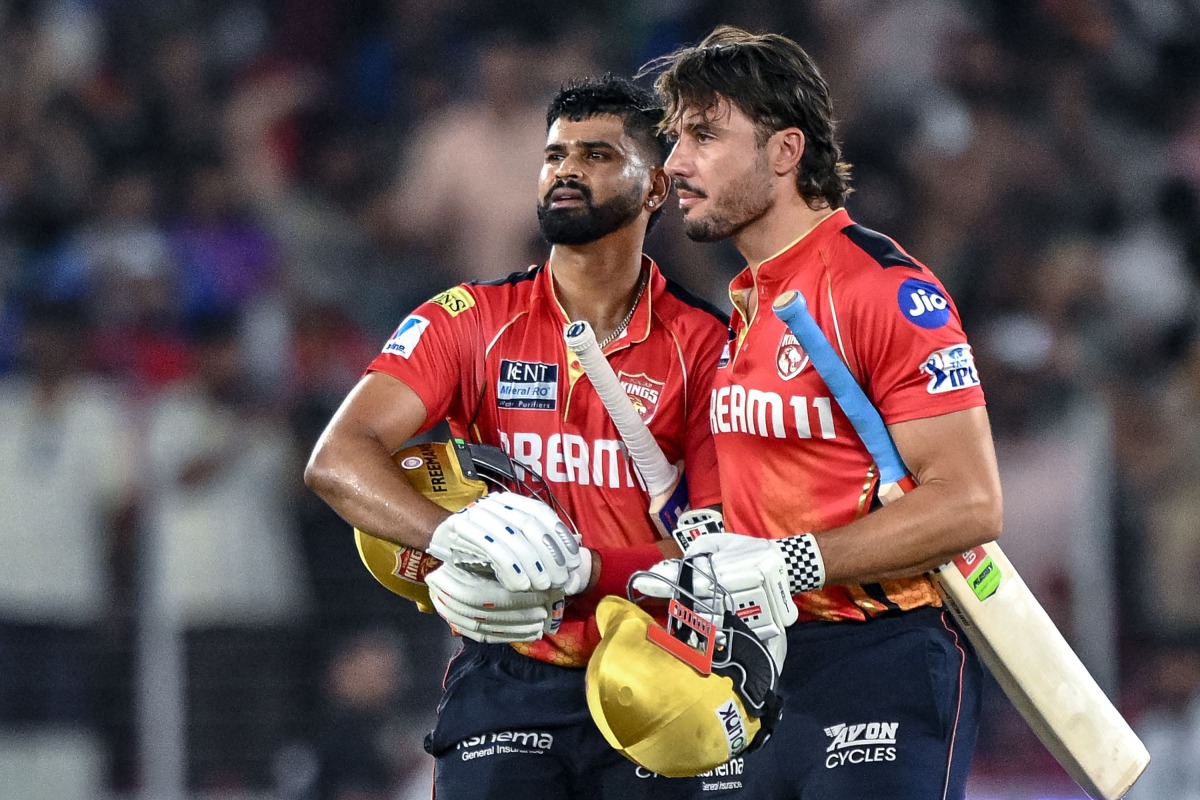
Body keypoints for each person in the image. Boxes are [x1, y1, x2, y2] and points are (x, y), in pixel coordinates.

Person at [304, 75, 731, 799]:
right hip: (506, 677)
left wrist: (584, 569)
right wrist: (450, 539)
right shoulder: (468, 319)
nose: (566, 169)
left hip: (662, 677)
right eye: (555, 153)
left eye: (597, 154)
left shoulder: (710, 346)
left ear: (657, 187)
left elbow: (724, 541)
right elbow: (336, 460)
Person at [636, 26, 1005, 799]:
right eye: (676, 139)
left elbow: (969, 502)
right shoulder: (745, 307)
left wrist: (790, 562)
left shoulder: (882, 288)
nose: (675, 163)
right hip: (759, 668)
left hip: (888, 661)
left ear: (784, 151)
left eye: (705, 134)